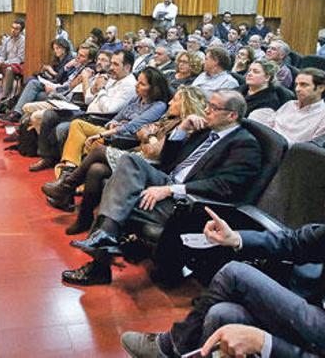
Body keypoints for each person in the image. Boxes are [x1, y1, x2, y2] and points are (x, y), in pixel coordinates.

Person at [121, 167, 325, 358]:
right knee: (221, 314)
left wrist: (265, 342)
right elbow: (296, 242)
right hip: (320, 318)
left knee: (234, 273)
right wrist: (235, 239)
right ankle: (180, 350)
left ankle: (170, 348)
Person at [61, 90, 262, 286]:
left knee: (117, 196)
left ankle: (99, 263)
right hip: (166, 179)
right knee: (129, 162)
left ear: (232, 115)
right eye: (208, 105)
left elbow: (225, 186)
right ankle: (107, 235)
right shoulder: (205, 131)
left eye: (213, 107)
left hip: (188, 202)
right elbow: (168, 160)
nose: (206, 110)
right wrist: (182, 129)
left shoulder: (244, 144)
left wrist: (170, 190)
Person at [42, 86, 207, 228]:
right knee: (96, 169)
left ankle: (66, 186)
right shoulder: (170, 119)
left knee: (99, 151)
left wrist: (149, 137)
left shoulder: (186, 127)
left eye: (176, 100)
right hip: (140, 154)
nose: (170, 103)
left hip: (149, 166)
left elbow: (154, 152)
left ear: (186, 104)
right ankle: (84, 217)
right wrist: (150, 136)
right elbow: (141, 130)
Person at [29, 50, 137, 172]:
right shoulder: (112, 78)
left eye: (116, 64)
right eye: (111, 63)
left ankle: (67, 166)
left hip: (99, 120)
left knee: (61, 128)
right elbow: (88, 98)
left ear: (127, 67)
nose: (111, 67)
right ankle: (47, 157)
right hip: (87, 113)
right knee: (49, 115)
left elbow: (109, 109)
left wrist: (101, 90)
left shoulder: (129, 85)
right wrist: (95, 87)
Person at [54, 68, 170, 172]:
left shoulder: (159, 106)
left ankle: (70, 171)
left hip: (125, 138)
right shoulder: (136, 98)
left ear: (153, 89)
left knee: (91, 141)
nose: (137, 85)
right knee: (77, 124)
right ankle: (70, 167)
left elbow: (133, 126)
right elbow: (116, 118)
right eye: (138, 81)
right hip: (112, 131)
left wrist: (103, 133)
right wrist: (112, 124)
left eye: (142, 84)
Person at [250, 68, 325, 145]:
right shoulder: (289, 105)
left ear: (321, 88)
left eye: (304, 85)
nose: (297, 89)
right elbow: (267, 128)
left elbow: (315, 151)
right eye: (296, 84)